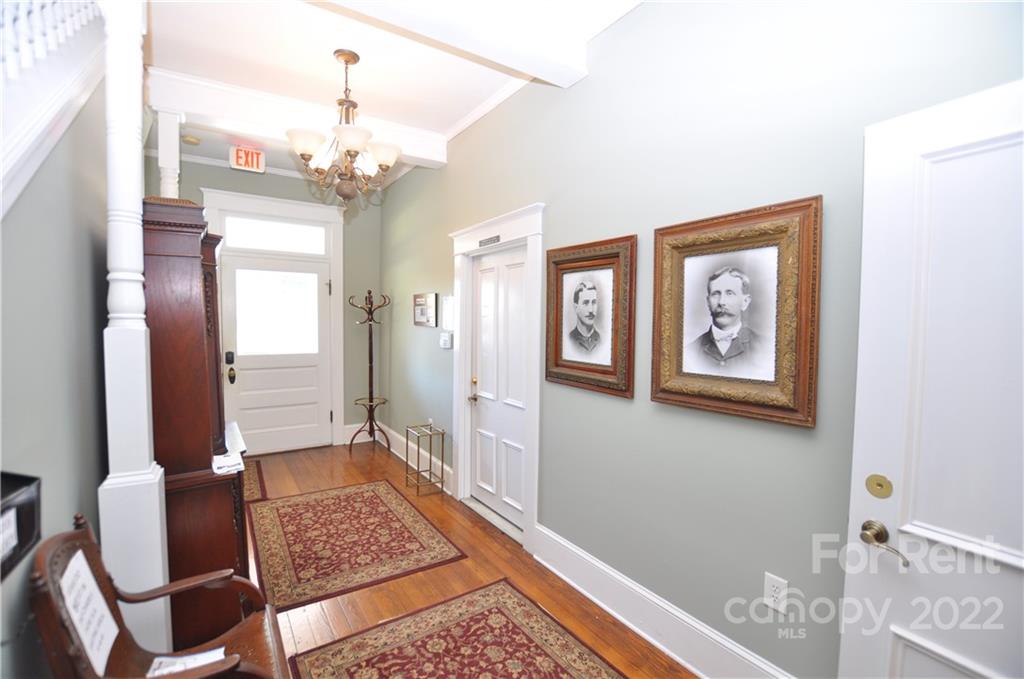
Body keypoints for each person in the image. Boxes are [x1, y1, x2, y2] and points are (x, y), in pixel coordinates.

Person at [683, 266, 771, 379]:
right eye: (715, 294)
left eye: (729, 293)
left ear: (745, 302)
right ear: (708, 302)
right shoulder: (689, 352)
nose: (721, 302)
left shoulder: (765, 349)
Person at [568, 280, 601, 352]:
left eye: (594, 302)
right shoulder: (569, 340)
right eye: (585, 303)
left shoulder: (601, 340)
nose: (591, 310)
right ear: (576, 307)